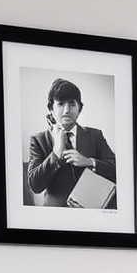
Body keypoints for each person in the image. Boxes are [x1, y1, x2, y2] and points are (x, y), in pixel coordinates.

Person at [27, 78, 117, 208]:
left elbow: (116, 169)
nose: (66, 110)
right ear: (51, 109)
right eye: (60, 104)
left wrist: (89, 161)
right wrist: (56, 153)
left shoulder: (95, 135)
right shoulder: (38, 140)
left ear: (80, 108)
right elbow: (35, 185)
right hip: (55, 217)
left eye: (72, 104)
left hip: (92, 211)